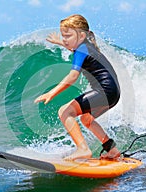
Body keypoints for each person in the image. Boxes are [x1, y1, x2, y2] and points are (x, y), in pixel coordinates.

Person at [34, 14, 121, 160]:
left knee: (65, 112)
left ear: (81, 35)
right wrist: (60, 43)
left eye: (67, 36)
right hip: (113, 93)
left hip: (104, 91)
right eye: (63, 36)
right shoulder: (86, 46)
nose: (65, 39)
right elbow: (75, 49)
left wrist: (51, 93)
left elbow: (73, 76)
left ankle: (83, 149)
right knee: (87, 119)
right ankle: (112, 150)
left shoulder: (81, 49)